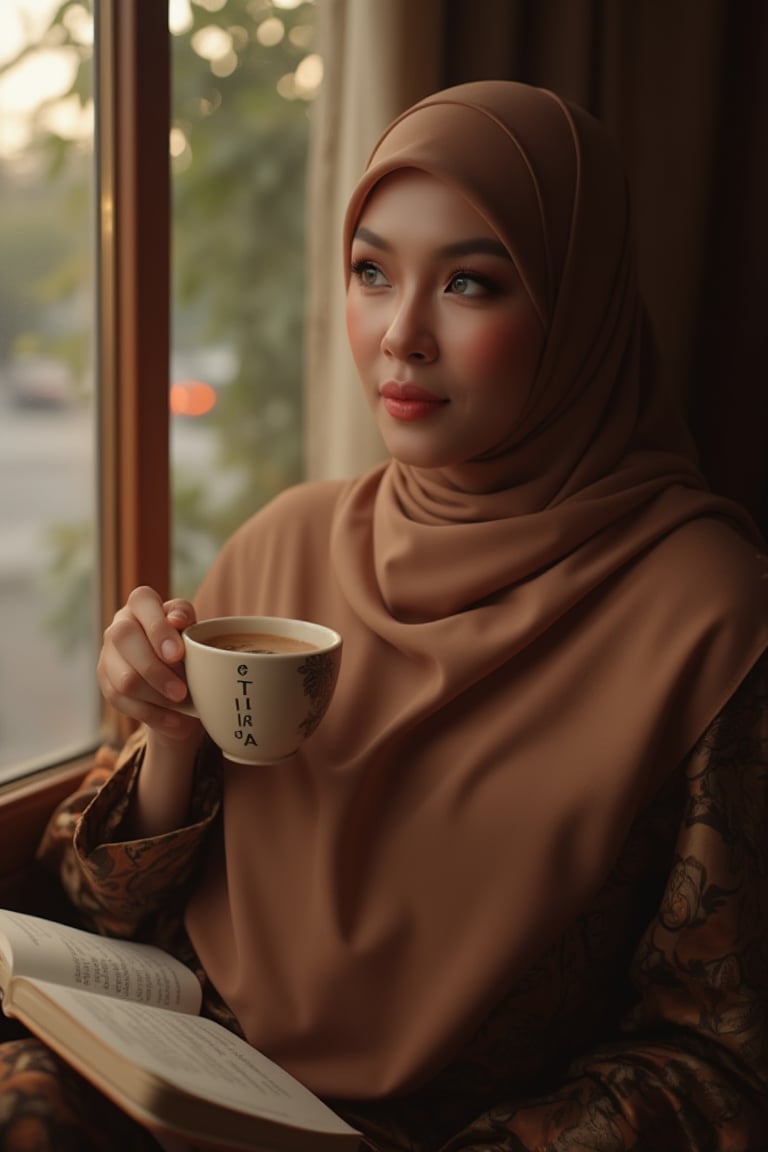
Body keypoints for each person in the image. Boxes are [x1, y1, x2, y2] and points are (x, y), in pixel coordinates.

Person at [1, 79, 767, 1152]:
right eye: (371, 272)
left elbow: (721, 1056)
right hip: (177, 1082)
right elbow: (97, 911)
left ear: (577, 304)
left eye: (470, 282)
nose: (400, 336)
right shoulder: (286, 542)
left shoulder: (707, 615)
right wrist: (168, 738)